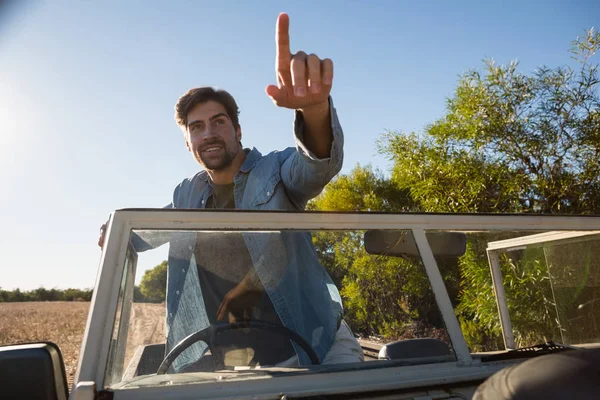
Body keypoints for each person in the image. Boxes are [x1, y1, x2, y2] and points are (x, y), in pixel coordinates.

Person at [99, 12, 363, 372]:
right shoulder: (186, 195)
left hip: (316, 347)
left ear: (238, 130)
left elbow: (315, 165)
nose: (208, 133)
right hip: (237, 362)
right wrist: (113, 233)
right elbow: (146, 230)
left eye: (218, 122)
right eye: (197, 127)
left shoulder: (275, 170)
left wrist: (314, 111)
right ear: (188, 142)